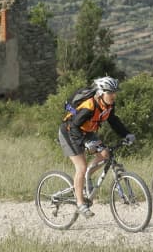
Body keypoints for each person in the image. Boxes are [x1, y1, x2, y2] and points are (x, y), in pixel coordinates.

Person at [57, 75, 135, 217]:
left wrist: (126, 134)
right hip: (69, 132)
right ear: (100, 93)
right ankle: (80, 203)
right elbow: (74, 126)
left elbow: (113, 120)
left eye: (114, 92)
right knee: (81, 167)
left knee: (105, 154)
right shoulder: (89, 106)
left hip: (86, 131)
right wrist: (86, 143)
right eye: (110, 92)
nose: (113, 95)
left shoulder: (109, 105)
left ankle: (86, 177)